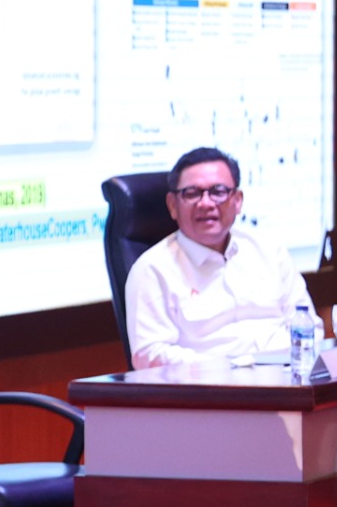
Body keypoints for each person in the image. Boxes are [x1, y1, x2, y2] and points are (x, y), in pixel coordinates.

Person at [122, 146, 312, 370]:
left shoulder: (270, 251)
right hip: (209, 386)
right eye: (192, 193)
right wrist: (228, 369)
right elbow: (150, 355)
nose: (206, 203)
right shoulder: (152, 269)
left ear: (237, 200)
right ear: (173, 205)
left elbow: (309, 327)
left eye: (218, 191)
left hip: (289, 379)